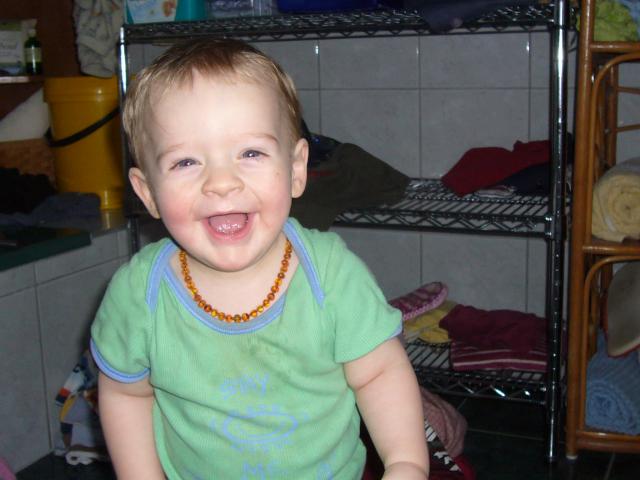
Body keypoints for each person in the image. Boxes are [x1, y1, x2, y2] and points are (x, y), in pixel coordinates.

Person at [90, 37, 429, 479]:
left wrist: (406, 463)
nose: (222, 182)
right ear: (147, 192)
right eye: (186, 162)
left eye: (250, 153)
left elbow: (379, 373)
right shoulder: (139, 294)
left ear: (296, 168)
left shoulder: (330, 274)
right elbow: (125, 394)